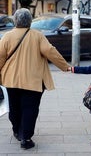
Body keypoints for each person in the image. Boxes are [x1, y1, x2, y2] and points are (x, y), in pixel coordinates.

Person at [0, 8, 70, 149]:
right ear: (30, 21)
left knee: (14, 107)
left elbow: (0, 57)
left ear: (15, 20)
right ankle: (26, 138)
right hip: (33, 81)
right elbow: (50, 51)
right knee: (30, 109)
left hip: (10, 80)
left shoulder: (7, 36)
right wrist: (65, 66)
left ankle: (16, 130)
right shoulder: (37, 36)